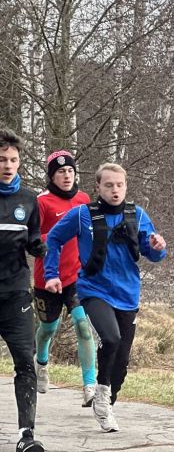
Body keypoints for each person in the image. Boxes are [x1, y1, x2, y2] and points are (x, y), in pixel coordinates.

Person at [43, 162, 166, 433]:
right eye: (108, 185)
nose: (115, 190)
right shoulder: (82, 215)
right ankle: (100, 390)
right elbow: (53, 239)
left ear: (126, 187)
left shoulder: (137, 215)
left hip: (128, 293)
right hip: (93, 290)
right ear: (97, 187)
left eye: (119, 185)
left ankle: (106, 397)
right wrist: (52, 274)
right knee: (110, 338)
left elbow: (151, 252)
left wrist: (158, 247)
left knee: (122, 360)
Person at [33, 151, 97, 407]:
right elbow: (32, 239)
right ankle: (41, 362)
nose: (67, 176)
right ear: (52, 176)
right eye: (61, 172)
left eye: (70, 171)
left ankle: (90, 385)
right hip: (47, 279)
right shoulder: (42, 202)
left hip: (76, 277)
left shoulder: (84, 200)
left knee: (83, 326)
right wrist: (56, 236)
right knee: (49, 328)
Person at [0, 127, 46, 452]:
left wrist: (46, 251)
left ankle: (26, 436)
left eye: (13, 160)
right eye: (2, 159)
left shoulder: (29, 200)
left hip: (15, 293)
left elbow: (34, 241)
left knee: (25, 364)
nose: (7, 165)